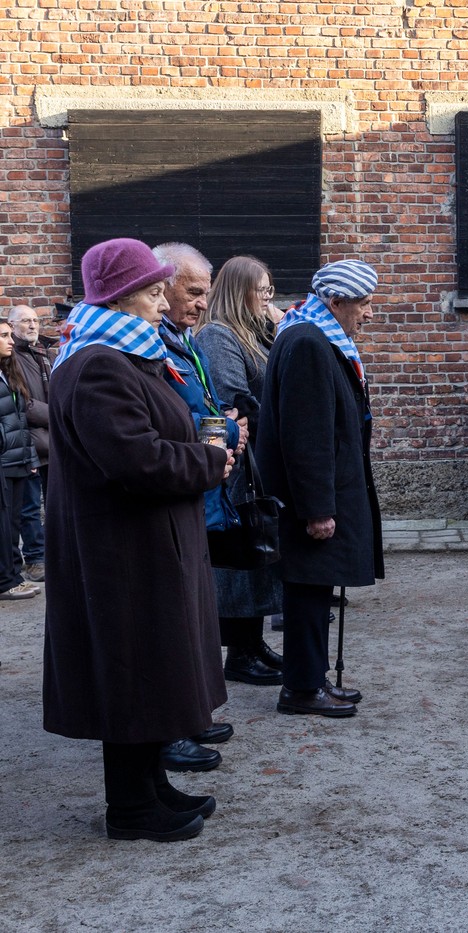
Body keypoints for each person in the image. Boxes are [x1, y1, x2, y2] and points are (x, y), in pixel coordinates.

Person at [43, 237, 232, 841]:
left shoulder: (126, 356)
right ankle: (130, 809)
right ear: (121, 297)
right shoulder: (98, 365)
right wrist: (209, 461)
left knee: (155, 669)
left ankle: (152, 787)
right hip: (121, 554)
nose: (162, 302)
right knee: (132, 672)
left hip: (143, 544)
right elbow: (137, 460)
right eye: (152, 292)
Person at [257, 259, 384, 718]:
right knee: (308, 592)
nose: (369, 313)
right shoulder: (310, 342)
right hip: (310, 500)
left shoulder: (311, 334)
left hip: (319, 493)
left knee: (313, 590)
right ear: (334, 301)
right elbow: (306, 435)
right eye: (363, 303)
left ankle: (312, 678)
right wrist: (317, 509)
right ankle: (302, 688)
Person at [151, 242, 251, 772]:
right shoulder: (150, 345)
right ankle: (169, 728)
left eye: (205, 294)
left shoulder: (183, 339)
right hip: (176, 486)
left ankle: (189, 712)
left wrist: (225, 423)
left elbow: (200, 406)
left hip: (200, 485)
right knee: (174, 618)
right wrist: (225, 429)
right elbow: (164, 421)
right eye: (192, 292)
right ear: (160, 286)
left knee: (196, 611)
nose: (202, 304)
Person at [194, 256, 285, 689]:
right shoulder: (218, 335)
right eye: (261, 290)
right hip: (236, 463)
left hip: (254, 460)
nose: (268, 298)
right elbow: (234, 402)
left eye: (270, 290)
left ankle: (253, 643)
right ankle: (241, 652)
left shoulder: (249, 332)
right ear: (238, 291)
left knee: (255, 557)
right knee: (239, 558)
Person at [0, 320, 41, 601]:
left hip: (18, 460)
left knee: (13, 523)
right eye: (4, 336)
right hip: (3, 460)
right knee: (3, 524)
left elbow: (22, 420)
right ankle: (5, 581)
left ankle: (14, 576)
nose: (11, 340)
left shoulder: (8, 372)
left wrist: (30, 457)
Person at [9, 304, 50, 581]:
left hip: (52, 440)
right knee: (30, 506)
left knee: (54, 503)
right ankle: (36, 558)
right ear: (12, 326)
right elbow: (23, 403)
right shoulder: (10, 358)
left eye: (35, 320)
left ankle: (51, 553)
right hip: (29, 444)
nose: (33, 325)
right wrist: (59, 414)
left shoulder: (43, 354)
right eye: (25, 321)